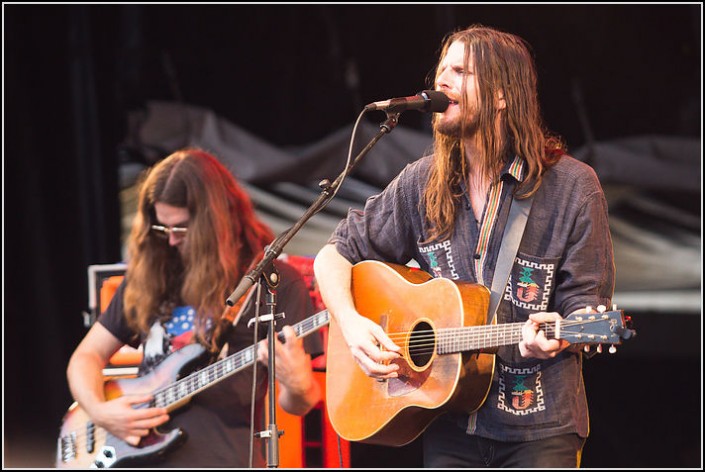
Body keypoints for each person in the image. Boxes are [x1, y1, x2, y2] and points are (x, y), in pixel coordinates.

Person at [314, 24, 614, 468]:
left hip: (540, 428)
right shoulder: (424, 182)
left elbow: (587, 310)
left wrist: (561, 335)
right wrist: (354, 325)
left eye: (461, 71)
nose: (442, 81)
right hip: (450, 422)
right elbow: (334, 252)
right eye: (442, 69)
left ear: (501, 95)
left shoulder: (573, 187)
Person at [66, 148, 322, 468]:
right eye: (162, 228)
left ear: (217, 221)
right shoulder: (151, 273)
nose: (171, 240)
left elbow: (299, 402)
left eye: (182, 228)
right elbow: (85, 357)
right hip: (135, 458)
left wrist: (297, 385)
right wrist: (102, 413)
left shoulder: (275, 281)